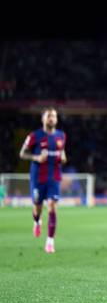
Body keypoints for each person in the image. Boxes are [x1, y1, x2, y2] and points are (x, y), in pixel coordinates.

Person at [19, 107, 67, 254]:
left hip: (54, 178)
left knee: (52, 206)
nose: (51, 118)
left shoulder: (61, 136)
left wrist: (63, 158)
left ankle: (50, 242)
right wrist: (36, 158)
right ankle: (36, 221)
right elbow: (22, 153)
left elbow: (62, 153)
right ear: (43, 119)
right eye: (49, 116)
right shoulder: (35, 136)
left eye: (54, 116)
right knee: (37, 206)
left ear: (57, 119)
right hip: (38, 177)